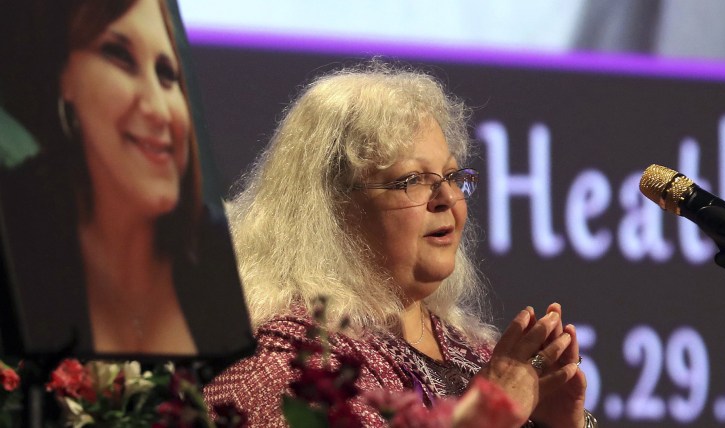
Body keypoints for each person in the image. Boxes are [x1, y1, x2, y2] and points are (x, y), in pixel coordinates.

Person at [204, 62, 597, 427]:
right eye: (411, 180)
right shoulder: (283, 366)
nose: (447, 197)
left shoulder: (472, 355)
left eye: (451, 175)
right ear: (332, 211)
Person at [0, 0, 251, 357]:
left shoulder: (215, 255)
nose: (158, 109)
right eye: (119, 56)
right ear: (63, 77)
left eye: (166, 74)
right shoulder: (22, 254)